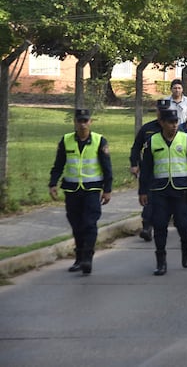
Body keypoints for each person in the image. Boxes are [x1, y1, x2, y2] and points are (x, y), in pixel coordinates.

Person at [139, 108, 187, 276]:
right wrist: (143, 191)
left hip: (181, 191)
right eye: (170, 122)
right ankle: (161, 261)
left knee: (183, 224)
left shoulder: (185, 139)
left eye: (176, 122)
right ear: (162, 123)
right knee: (160, 225)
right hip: (159, 190)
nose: (174, 125)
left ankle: (186, 248)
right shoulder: (152, 141)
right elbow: (146, 169)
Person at [48, 109, 113, 275]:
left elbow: (107, 167)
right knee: (76, 224)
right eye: (80, 121)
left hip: (92, 189)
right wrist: (53, 183)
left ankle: (87, 258)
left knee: (89, 223)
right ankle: (79, 258)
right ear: (75, 123)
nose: (83, 124)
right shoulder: (66, 140)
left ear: (90, 122)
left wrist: (107, 189)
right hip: (72, 189)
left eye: (85, 121)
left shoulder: (99, 140)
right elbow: (58, 164)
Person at [129, 99, 172, 241]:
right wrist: (134, 164)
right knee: (149, 197)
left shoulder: (174, 128)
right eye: (160, 110)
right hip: (149, 169)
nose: (163, 113)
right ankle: (147, 226)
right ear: (157, 111)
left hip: (168, 170)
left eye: (166, 110)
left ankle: (160, 224)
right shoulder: (147, 128)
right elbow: (136, 147)